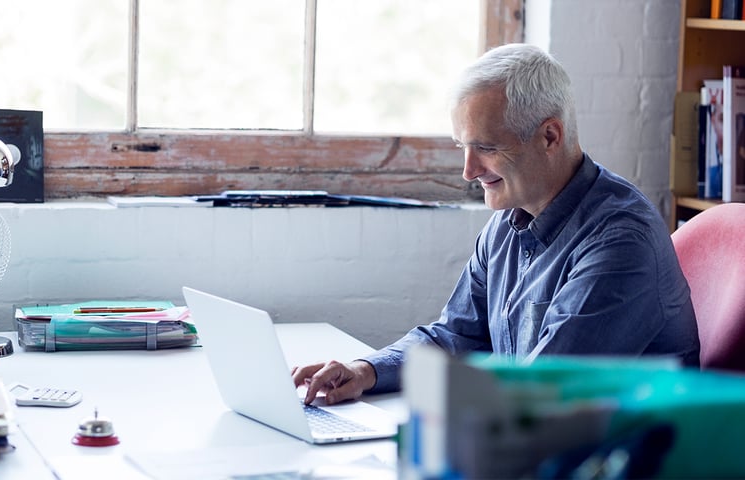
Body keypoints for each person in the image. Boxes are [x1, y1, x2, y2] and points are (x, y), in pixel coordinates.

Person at [291, 43, 701, 406]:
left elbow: (543, 389)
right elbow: (457, 335)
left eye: (486, 147)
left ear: (550, 137)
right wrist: (366, 370)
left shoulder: (620, 242)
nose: (468, 171)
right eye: (462, 147)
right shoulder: (508, 222)